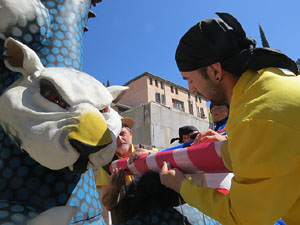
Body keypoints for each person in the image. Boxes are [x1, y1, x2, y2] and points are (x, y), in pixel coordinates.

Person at [159, 12, 299, 225]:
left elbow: (244, 217)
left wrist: (181, 186)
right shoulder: (272, 82)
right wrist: (228, 149)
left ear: (215, 70)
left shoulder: (253, 120)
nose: (192, 90)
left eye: (190, 80)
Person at [96, 117, 155, 224]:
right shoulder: (106, 165)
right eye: (114, 136)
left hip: (153, 218)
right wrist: (114, 188)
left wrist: (149, 155)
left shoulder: (149, 149)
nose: (119, 139)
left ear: (130, 133)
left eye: (122, 134)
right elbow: (108, 205)